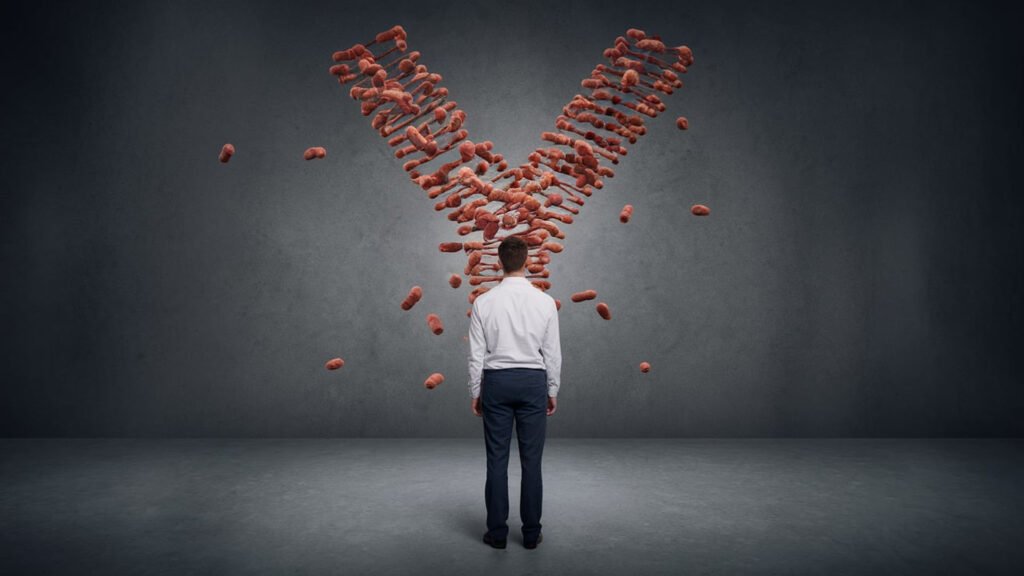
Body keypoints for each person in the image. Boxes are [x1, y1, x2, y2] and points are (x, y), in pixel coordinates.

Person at [468, 235, 561, 550]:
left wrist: (476, 390)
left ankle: (497, 534)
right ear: (526, 262)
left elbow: (476, 354)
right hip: (533, 381)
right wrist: (552, 389)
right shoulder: (545, 302)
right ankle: (531, 534)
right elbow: (553, 353)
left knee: (496, 460)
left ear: (499, 263)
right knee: (532, 462)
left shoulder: (483, 302)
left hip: (496, 381)